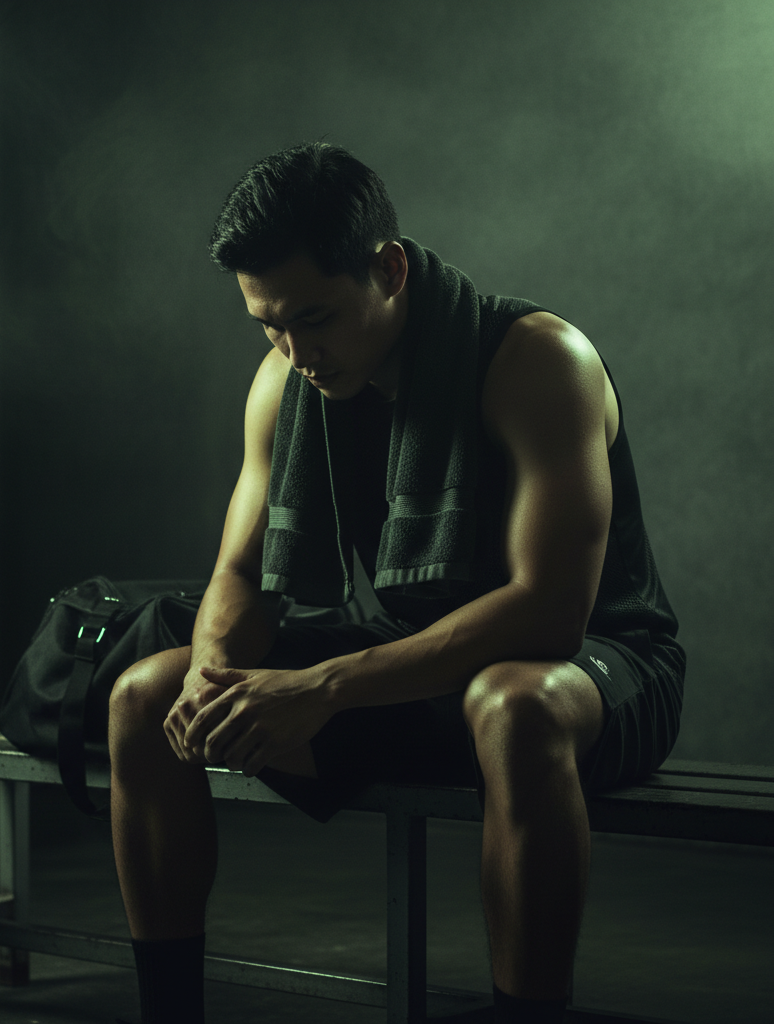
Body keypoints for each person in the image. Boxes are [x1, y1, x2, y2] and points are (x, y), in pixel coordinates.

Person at [107, 142, 684, 1024]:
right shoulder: (284, 382)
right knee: (145, 693)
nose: (297, 350)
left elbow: (551, 611)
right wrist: (211, 675)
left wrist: (325, 685)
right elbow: (240, 573)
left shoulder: (537, 360)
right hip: (416, 663)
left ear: (388, 269)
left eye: (317, 317)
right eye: (269, 323)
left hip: (594, 670)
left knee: (512, 704)